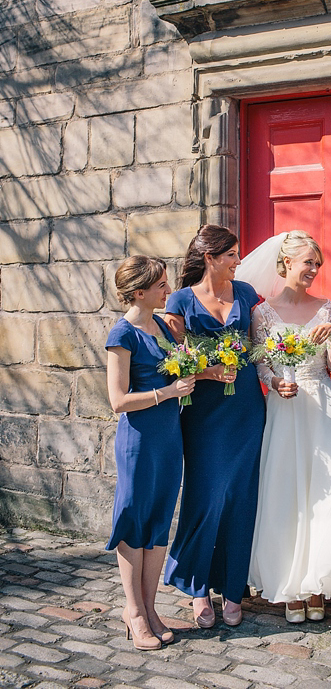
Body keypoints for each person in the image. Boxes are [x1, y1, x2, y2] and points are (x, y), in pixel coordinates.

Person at [240, 230, 331, 623]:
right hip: (284, 408)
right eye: (309, 262)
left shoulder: (327, 308)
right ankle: (289, 584)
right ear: (287, 262)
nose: (314, 270)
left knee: (328, 493)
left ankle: (319, 581)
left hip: (322, 406)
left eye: (317, 264)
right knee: (286, 491)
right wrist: (273, 382)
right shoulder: (262, 313)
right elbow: (259, 361)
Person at [163, 225, 265, 629]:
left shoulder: (246, 294)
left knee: (241, 497)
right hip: (203, 412)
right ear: (210, 258)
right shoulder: (180, 300)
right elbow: (171, 360)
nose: (238, 262)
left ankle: (233, 586)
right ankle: (197, 585)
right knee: (206, 497)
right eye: (231, 255)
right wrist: (207, 371)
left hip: (245, 408)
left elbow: (260, 345)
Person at [106, 256, 196, 651]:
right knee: (135, 520)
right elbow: (118, 400)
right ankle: (134, 611)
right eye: (161, 285)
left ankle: (151, 607)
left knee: (160, 520)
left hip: (168, 437)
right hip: (139, 441)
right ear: (139, 291)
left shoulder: (162, 326)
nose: (168, 291)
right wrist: (167, 392)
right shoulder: (121, 334)